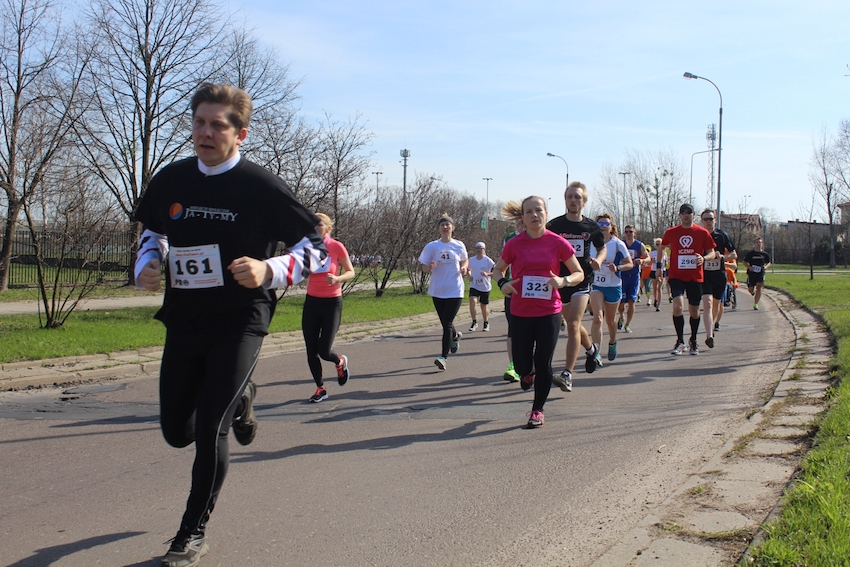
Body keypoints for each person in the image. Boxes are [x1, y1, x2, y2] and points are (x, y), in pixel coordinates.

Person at [134, 83, 328, 567]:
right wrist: (147, 262)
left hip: (241, 319)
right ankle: (243, 397)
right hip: (186, 317)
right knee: (177, 431)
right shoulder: (172, 179)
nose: (205, 132)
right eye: (199, 122)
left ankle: (189, 534)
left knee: (210, 430)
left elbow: (317, 251)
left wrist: (269, 269)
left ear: (240, 133)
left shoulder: (261, 186)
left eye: (217, 125)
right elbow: (153, 231)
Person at [494, 197, 583, 428]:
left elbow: (579, 273)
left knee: (543, 362)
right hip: (520, 310)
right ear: (523, 218)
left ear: (546, 214)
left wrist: (563, 281)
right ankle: (526, 373)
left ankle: (537, 410)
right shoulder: (514, 244)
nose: (534, 215)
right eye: (529, 212)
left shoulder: (558, 242)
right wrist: (502, 283)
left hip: (549, 311)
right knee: (522, 364)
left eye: (539, 210)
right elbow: (498, 269)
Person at [547, 181, 607, 393]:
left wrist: (599, 260)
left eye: (577, 197)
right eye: (570, 197)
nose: (573, 200)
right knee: (575, 324)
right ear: (565, 200)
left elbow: (602, 248)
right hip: (559, 281)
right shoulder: (554, 226)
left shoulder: (591, 227)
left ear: (584, 202)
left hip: (582, 279)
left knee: (572, 324)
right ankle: (591, 349)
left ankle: (567, 374)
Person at [303, 213, 356, 403]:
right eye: (312, 224)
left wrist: (337, 278)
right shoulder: (307, 246)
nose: (315, 227)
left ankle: (339, 361)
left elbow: (350, 271)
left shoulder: (336, 246)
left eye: (319, 224)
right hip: (312, 301)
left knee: (324, 351)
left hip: (332, 302)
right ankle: (320, 388)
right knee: (311, 350)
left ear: (328, 228)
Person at [661, 203, 717, 356]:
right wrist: (660, 265)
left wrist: (704, 258)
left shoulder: (702, 232)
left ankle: (693, 339)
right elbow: (662, 247)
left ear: (694, 215)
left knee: (694, 310)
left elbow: (712, 252)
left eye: (689, 212)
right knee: (677, 307)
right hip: (676, 275)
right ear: (680, 215)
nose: (686, 215)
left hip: (695, 276)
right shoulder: (671, 232)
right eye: (683, 212)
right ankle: (680, 341)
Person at [419, 214, 468, 370]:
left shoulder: (459, 245)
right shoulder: (432, 246)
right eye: (442, 225)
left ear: (453, 228)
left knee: (447, 323)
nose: (445, 227)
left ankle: (443, 357)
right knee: (445, 322)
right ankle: (455, 336)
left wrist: (464, 267)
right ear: (439, 229)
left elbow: (465, 259)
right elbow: (423, 266)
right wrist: (429, 267)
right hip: (438, 289)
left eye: (448, 224)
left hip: (455, 289)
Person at [590, 213, 634, 361]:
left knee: (610, 320)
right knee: (597, 318)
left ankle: (613, 342)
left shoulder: (617, 244)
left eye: (606, 224)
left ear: (611, 227)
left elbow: (630, 263)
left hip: (613, 285)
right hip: (596, 284)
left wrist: (618, 268)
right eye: (600, 224)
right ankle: (596, 352)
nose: (603, 227)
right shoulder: (591, 242)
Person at [699, 209, 737, 342]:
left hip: (719, 274)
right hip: (704, 274)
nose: (708, 222)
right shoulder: (698, 235)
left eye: (711, 219)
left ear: (715, 220)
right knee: (707, 302)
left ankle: (712, 325)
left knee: (716, 303)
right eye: (706, 219)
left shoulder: (722, 235)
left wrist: (722, 257)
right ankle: (709, 334)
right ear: (702, 221)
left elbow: (734, 254)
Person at [501, 219, 524, 382]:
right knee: (513, 328)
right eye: (519, 220)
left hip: (536, 291)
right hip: (513, 288)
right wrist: (503, 282)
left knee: (533, 330)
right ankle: (513, 366)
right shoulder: (510, 238)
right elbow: (501, 264)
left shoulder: (542, 236)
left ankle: (530, 363)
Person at [616, 224, 649, 333]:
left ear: (635, 233)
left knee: (631, 301)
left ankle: (627, 325)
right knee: (621, 303)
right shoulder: (620, 244)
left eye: (630, 231)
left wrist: (643, 261)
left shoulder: (639, 245)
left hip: (634, 276)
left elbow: (648, 258)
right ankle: (621, 315)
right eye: (626, 232)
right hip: (622, 276)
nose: (628, 234)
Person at [467, 241, 495, 332]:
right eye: (477, 248)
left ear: (484, 250)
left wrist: (487, 274)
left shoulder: (488, 260)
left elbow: (496, 271)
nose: (479, 250)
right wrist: (469, 276)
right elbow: (468, 269)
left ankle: (486, 322)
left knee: (483, 306)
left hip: (485, 287)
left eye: (481, 248)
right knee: (472, 301)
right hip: (474, 285)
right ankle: (474, 322)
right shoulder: (471, 260)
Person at [744, 237, 772, 310]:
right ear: (754, 244)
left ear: (762, 244)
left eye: (760, 242)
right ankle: (752, 292)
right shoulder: (750, 254)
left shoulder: (764, 254)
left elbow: (769, 262)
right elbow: (744, 262)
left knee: (759, 287)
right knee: (750, 289)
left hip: (760, 273)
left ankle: (756, 304)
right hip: (751, 273)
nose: (758, 244)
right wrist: (749, 267)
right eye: (757, 242)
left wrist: (765, 267)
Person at [650, 238, 667, 312]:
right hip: (654, 270)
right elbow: (649, 263)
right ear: (655, 245)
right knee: (655, 288)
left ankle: (658, 305)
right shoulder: (652, 253)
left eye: (660, 244)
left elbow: (666, 263)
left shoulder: (665, 253)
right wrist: (652, 261)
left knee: (659, 288)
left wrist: (663, 267)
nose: (659, 246)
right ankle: (655, 299)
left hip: (662, 271)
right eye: (657, 244)